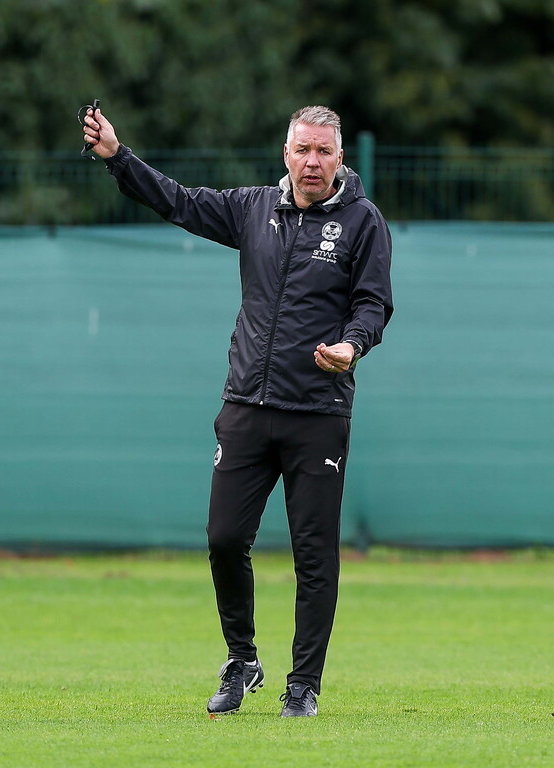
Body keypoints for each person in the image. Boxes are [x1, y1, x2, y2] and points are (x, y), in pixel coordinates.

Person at [82, 105, 393, 718]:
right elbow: (178, 202)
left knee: (314, 554)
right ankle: (242, 660)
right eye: (302, 150)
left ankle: (302, 685)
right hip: (246, 406)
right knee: (224, 539)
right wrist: (118, 157)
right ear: (286, 152)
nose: (311, 162)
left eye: (323, 153)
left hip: (317, 412)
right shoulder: (254, 209)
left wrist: (351, 345)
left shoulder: (363, 222)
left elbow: (374, 305)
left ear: (339, 159)